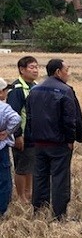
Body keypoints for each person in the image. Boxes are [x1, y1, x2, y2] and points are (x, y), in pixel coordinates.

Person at [25, 59, 82, 220]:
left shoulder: (35, 90)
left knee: (39, 176)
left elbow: (29, 116)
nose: (69, 73)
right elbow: (70, 120)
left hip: (38, 142)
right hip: (59, 143)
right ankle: (59, 215)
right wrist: (71, 139)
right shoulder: (65, 91)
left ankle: (39, 210)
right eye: (67, 69)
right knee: (60, 178)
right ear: (58, 72)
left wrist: (31, 137)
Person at [7, 56, 39, 203]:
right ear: (22, 70)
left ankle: (29, 192)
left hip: (34, 135)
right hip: (23, 135)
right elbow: (14, 114)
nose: (35, 70)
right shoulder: (16, 89)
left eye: (36, 67)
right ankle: (21, 196)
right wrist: (18, 135)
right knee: (21, 166)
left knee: (31, 165)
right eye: (31, 67)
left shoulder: (35, 86)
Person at [0, 78, 21, 218]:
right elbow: (16, 119)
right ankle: (1, 210)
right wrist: (7, 132)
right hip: (1, 148)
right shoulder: (4, 107)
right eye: (5, 90)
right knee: (3, 179)